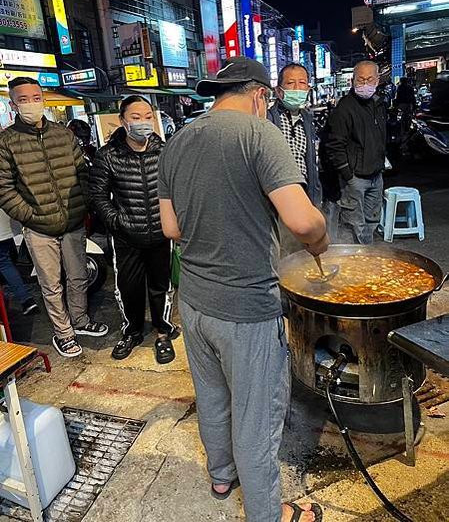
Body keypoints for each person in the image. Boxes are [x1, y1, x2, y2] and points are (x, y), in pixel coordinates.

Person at [158, 56, 327, 522]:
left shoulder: (176, 141)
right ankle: (267, 514)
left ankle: (220, 475)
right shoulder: (260, 134)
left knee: (212, 394)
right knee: (257, 419)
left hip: (193, 302)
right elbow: (301, 219)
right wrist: (321, 234)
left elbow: (170, 227)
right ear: (259, 95)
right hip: (247, 308)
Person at [0, 77, 108, 358]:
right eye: (23, 100)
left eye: (35, 97)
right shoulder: (6, 141)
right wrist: (30, 215)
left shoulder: (63, 134)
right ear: (13, 105)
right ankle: (64, 333)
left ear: (43, 99)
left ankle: (81, 321)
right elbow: (4, 188)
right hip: (38, 228)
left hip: (72, 221)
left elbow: (82, 172)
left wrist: (82, 204)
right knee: (50, 284)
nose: (31, 104)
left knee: (78, 276)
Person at [90, 96, 178, 363]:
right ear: (123, 121)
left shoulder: (164, 150)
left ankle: (163, 332)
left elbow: (177, 189)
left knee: (161, 286)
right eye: (136, 117)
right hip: (126, 237)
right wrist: (117, 222)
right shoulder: (108, 155)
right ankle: (132, 331)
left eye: (148, 116)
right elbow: (97, 196)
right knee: (129, 288)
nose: (143, 123)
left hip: (161, 234)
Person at [323, 61, 386, 244]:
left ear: (377, 80)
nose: (365, 84)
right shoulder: (344, 108)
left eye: (369, 79)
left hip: (376, 175)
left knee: (372, 221)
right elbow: (334, 144)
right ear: (352, 80)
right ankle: (357, 261)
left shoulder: (379, 104)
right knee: (354, 225)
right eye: (361, 79)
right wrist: (347, 174)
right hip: (355, 179)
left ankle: (369, 257)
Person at [268, 64, 322, 207]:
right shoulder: (268, 119)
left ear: (308, 89)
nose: (297, 88)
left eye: (302, 83)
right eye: (290, 83)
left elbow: (311, 161)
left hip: (305, 194)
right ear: (279, 91)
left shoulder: (307, 119)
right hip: (278, 197)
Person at [0, 209, 39, 316]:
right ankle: (25, 299)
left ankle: (25, 300)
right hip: (6, 223)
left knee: (4, 263)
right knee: (6, 261)